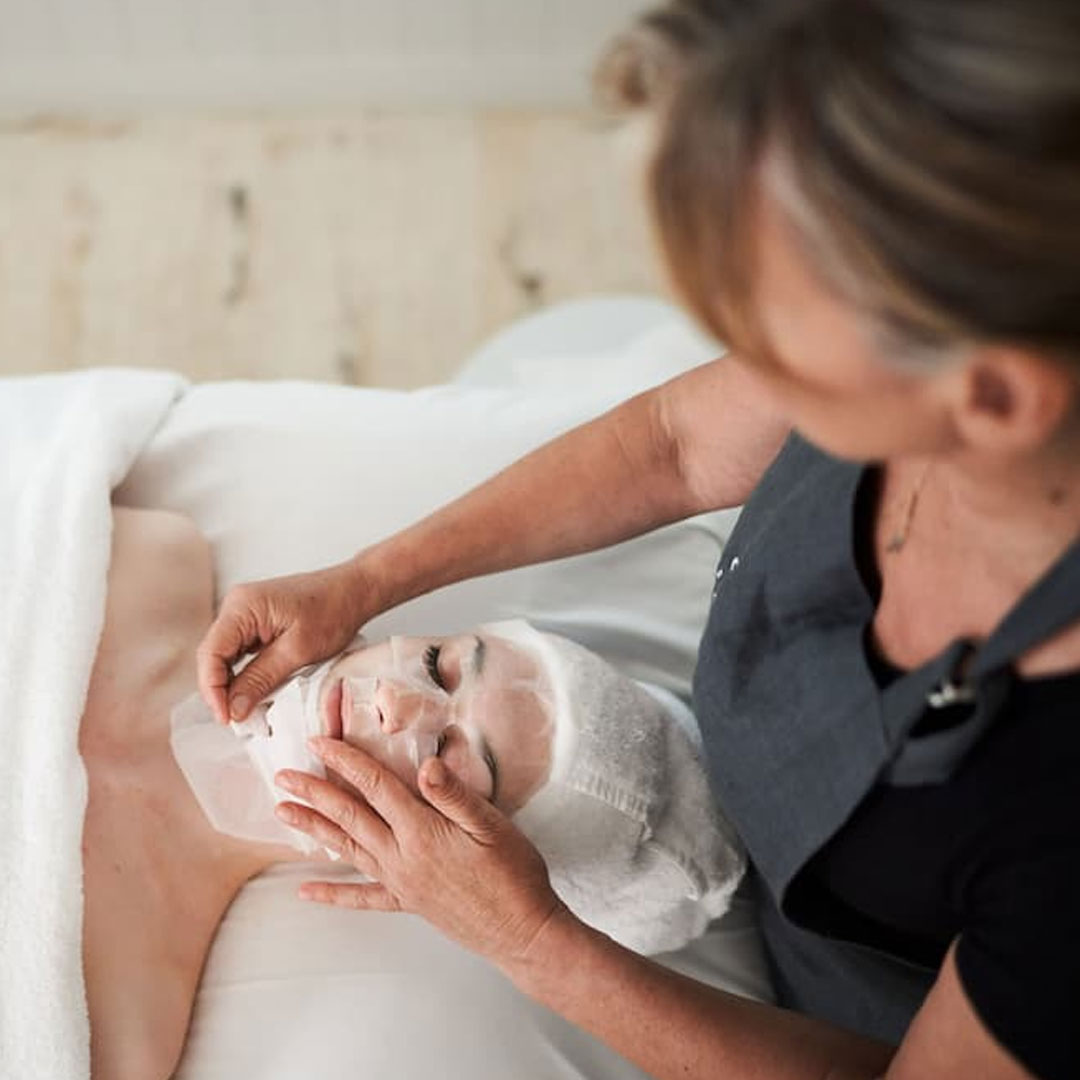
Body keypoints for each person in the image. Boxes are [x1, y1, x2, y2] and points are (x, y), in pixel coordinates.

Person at [197, 2, 1080, 1078]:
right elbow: (673, 443)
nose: (731, 356)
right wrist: (367, 578)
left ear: (990, 398)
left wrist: (528, 939)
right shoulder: (969, 307)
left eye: (766, 330)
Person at [81, 507, 737, 1079]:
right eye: (439, 666)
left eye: (449, 756)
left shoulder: (119, 1019)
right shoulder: (140, 564)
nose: (395, 701)